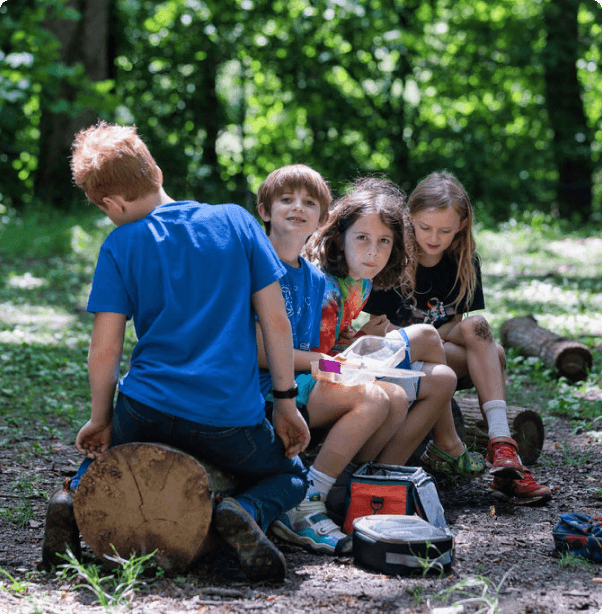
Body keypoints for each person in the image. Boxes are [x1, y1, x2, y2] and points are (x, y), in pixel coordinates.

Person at [44, 121, 311, 581]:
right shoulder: (237, 222)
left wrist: (101, 418)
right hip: (227, 418)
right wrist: (286, 402)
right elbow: (276, 323)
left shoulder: (119, 244)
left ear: (110, 204)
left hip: (145, 407)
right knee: (291, 475)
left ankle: (74, 495)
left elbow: (104, 351)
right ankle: (243, 510)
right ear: (158, 172)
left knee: (106, 459)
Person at [364, 170, 551, 505]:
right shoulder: (392, 259)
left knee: (481, 334)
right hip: (396, 359)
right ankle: (456, 445)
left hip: (438, 355)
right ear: (410, 219)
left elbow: (455, 326)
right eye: (425, 228)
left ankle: (502, 446)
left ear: (462, 226)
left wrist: (462, 333)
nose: (434, 237)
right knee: (492, 354)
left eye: (445, 230)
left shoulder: (463, 260)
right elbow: (376, 330)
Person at [255, 165, 409, 555]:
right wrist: (334, 365)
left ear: (322, 218)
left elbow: (318, 349)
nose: (297, 208)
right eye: (286, 200)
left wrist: (345, 357)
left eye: (308, 203)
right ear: (264, 209)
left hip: (303, 380)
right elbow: (259, 352)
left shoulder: (311, 276)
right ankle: (303, 503)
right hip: (265, 391)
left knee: (396, 398)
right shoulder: (258, 266)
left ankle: (345, 496)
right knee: (371, 397)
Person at [303, 177, 485, 476]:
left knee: (442, 378)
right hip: (316, 380)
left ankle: (384, 476)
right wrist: (355, 360)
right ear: (340, 235)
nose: (373, 252)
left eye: (383, 241)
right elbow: (309, 358)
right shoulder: (324, 287)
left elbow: (333, 344)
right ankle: (438, 448)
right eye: (362, 238)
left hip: (337, 368)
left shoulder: (360, 283)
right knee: (424, 339)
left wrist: (361, 339)